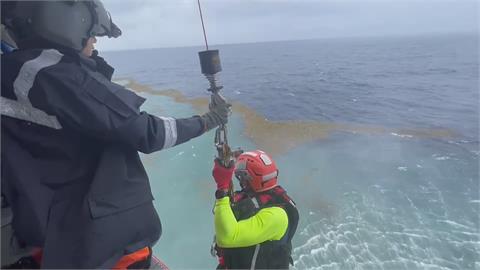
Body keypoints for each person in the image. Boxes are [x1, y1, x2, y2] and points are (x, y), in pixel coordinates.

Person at [1, 1, 230, 268]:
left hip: (46, 235)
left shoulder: (12, 70)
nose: (95, 40)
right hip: (99, 245)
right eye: (91, 34)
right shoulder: (65, 77)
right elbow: (149, 133)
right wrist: (207, 121)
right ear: (67, 25)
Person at [211, 150, 300, 269]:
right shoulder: (261, 196)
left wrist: (222, 189)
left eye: (241, 177)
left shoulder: (276, 216)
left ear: (247, 179)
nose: (240, 181)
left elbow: (227, 238)